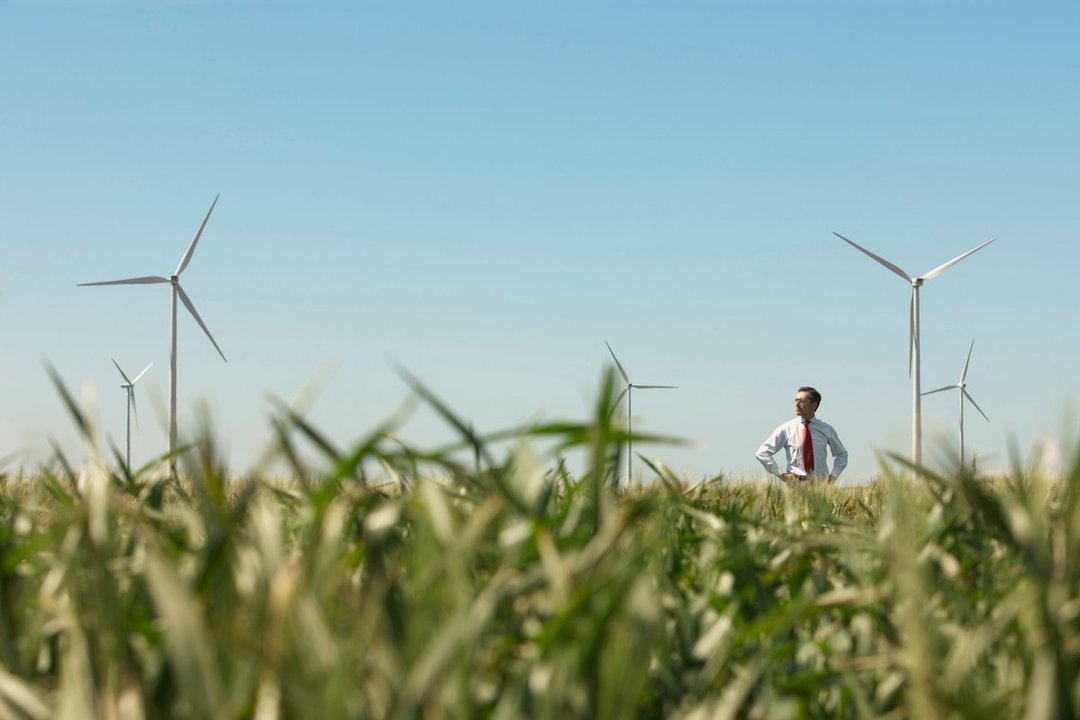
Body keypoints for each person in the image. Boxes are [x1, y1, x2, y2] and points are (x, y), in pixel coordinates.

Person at [756, 386, 847, 484]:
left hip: (821, 486)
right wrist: (782, 475)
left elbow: (842, 454)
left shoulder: (826, 428)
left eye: (801, 401)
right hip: (796, 486)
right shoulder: (787, 428)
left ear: (813, 405)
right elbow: (762, 453)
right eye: (796, 401)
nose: (796, 404)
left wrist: (833, 477)